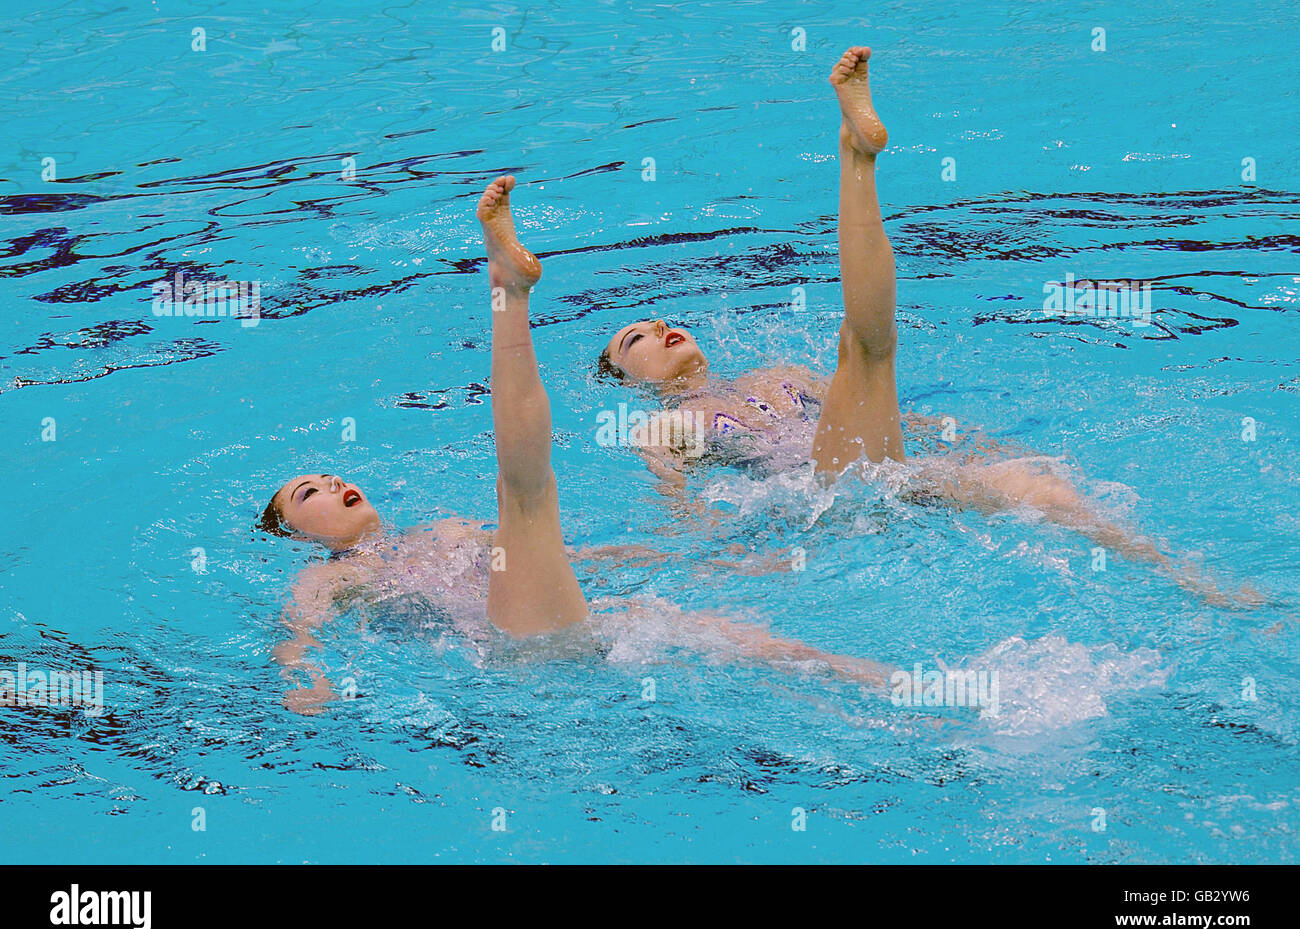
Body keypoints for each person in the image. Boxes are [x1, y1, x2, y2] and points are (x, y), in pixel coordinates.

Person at [594, 46, 1257, 606]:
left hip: (892, 477)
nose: (658, 327)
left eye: (658, 319)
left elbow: (899, 424)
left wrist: (972, 447)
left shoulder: (782, 374)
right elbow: (682, 525)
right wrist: (743, 564)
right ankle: (857, 158)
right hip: (821, 501)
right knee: (863, 345)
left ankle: (1193, 582)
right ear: (629, 381)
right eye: (635, 339)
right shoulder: (662, 425)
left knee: (1041, 489)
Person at [261, 176, 891, 713]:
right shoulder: (325, 576)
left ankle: (878, 681)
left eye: (330, 477)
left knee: (729, 636)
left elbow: (576, 558)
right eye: (309, 493)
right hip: (504, 643)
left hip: (568, 619)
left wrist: (715, 563)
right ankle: (506, 293)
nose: (337, 484)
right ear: (295, 534)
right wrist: (301, 678)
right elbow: (298, 634)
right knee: (524, 492)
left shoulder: (448, 528)